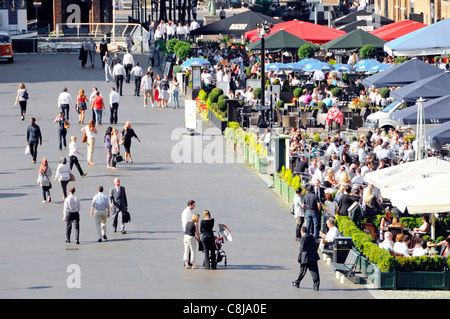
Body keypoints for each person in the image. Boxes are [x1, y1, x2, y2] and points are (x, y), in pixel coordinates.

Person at [291, 226, 320, 290]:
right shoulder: (312, 236)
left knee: (302, 271)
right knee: (314, 272)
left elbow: (302, 248)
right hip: (313, 256)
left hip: (305, 257)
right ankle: (316, 285)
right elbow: (316, 244)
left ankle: (297, 282)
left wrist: (299, 247)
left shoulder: (303, 238)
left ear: (302, 231)